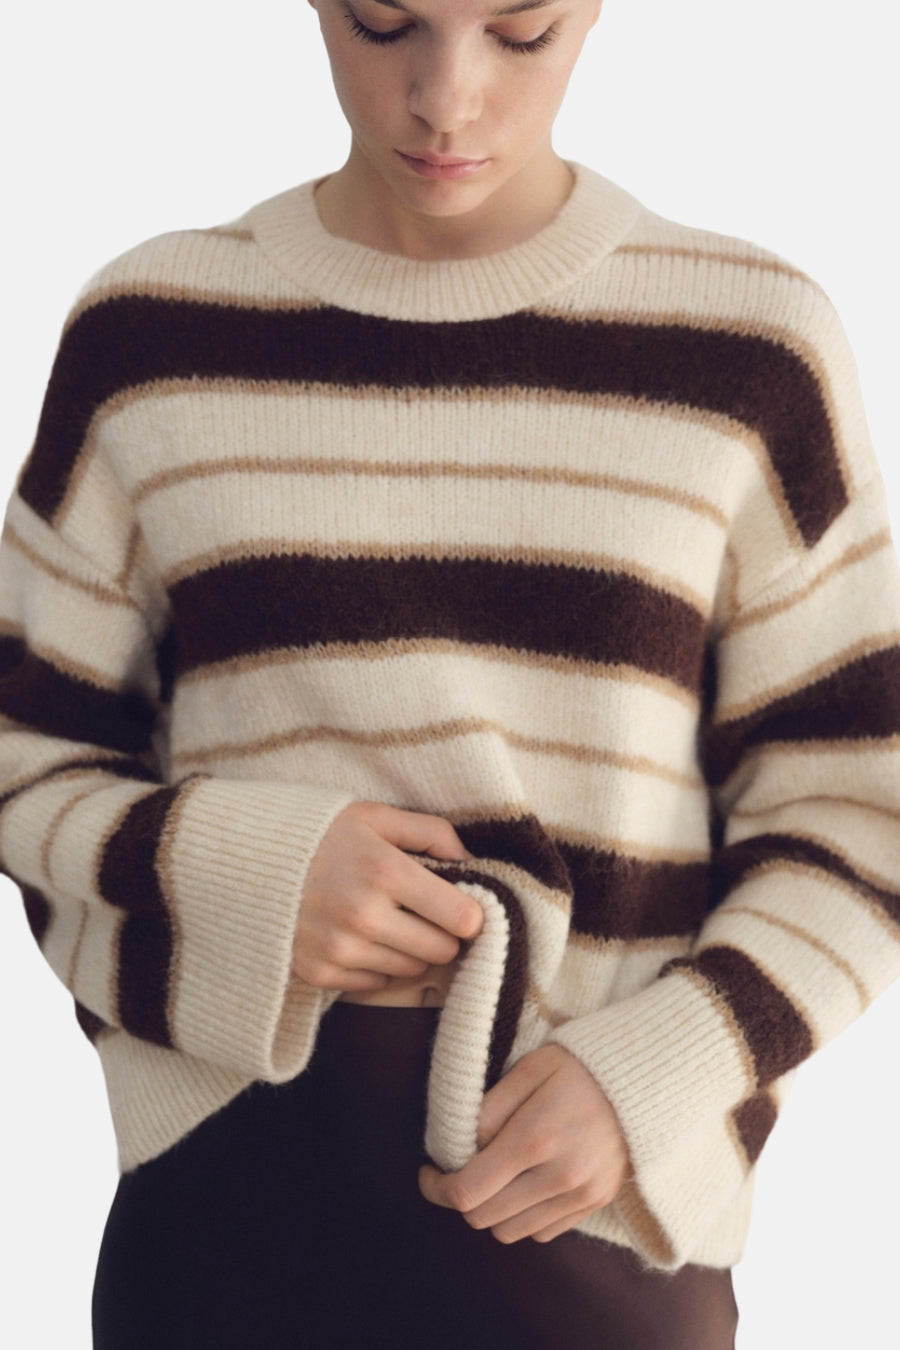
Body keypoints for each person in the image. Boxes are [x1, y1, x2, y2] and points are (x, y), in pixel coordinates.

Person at [1, 1, 898, 1346]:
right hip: (220, 1222)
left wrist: (662, 1074)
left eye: (520, 32)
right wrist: (244, 869)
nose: (444, 97)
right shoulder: (151, 334)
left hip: (596, 1244)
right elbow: (22, 752)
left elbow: (860, 809)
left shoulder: (754, 350)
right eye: (386, 24)